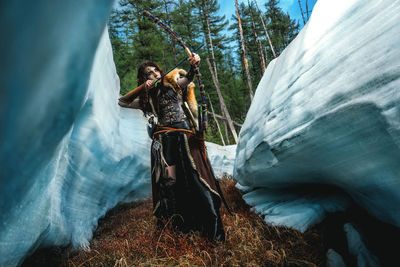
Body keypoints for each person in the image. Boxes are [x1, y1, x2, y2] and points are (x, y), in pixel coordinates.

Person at [119, 54, 226, 242]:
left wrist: (194, 66)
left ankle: (213, 232)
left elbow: (188, 78)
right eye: (148, 74)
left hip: (184, 139)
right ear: (145, 79)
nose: (153, 74)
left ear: (161, 71)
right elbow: (122, 102)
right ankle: (179, 230)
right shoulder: (147, 99)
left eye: (155, 70)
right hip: (165, 148)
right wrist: (143, 88)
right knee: (170, 184)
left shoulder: (174, 83)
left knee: (196, 178)